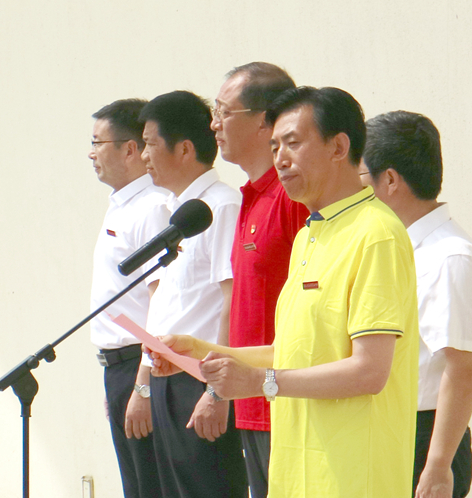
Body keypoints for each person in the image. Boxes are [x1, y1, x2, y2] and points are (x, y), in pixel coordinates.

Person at [151, 86, 419, 498]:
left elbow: (369, 370)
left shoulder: (376, 234)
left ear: (339, 147)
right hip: (296, 471)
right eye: (274, 145)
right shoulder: (309, 234)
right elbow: (292, 352)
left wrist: (262, 382)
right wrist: (201, 351)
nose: (280, 158)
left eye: (293, 142)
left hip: (354, 476)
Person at [360, 110, 472, 498]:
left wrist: (437, 465)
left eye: (359, 175)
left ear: (390, 180)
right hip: (388, 426)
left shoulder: (450, 257)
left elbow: (462, 368)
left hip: (425, 436)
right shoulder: (394, 246)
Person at [138, 91, 247, 498]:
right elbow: (166, 305)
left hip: (199, 380)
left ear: (184, 148)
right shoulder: (176, 212)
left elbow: (231, 301)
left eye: (149, 144)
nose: (143, 156)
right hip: (166, 376)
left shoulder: (221, 206)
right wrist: (144, 382)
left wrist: (217, 391)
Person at [210, 63, 309, 498]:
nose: (214, 124)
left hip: (286, 401)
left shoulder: (292, 198)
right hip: (250, 403)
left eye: (223, 112)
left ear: (265, 121)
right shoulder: (250, 197)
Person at [87, 99, 167, 498]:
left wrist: (143, 384)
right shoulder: (122, 204)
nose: (91, 154)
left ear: (130, 149)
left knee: (149, 486)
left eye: (97, 143)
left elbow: (161, 300)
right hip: (119, 368)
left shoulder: (152, 208)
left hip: (141, 364)